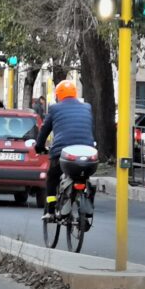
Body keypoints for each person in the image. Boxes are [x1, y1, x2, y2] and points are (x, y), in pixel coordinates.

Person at [35, 80, 94, 219]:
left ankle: (50, 211)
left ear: (58, 95)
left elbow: (44, 130)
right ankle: (87, 199)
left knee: (52, 177)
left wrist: (39, 147)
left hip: (63, 153)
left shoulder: (55, 108)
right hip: (88, 152)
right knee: (84, 177)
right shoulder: (87, 107)